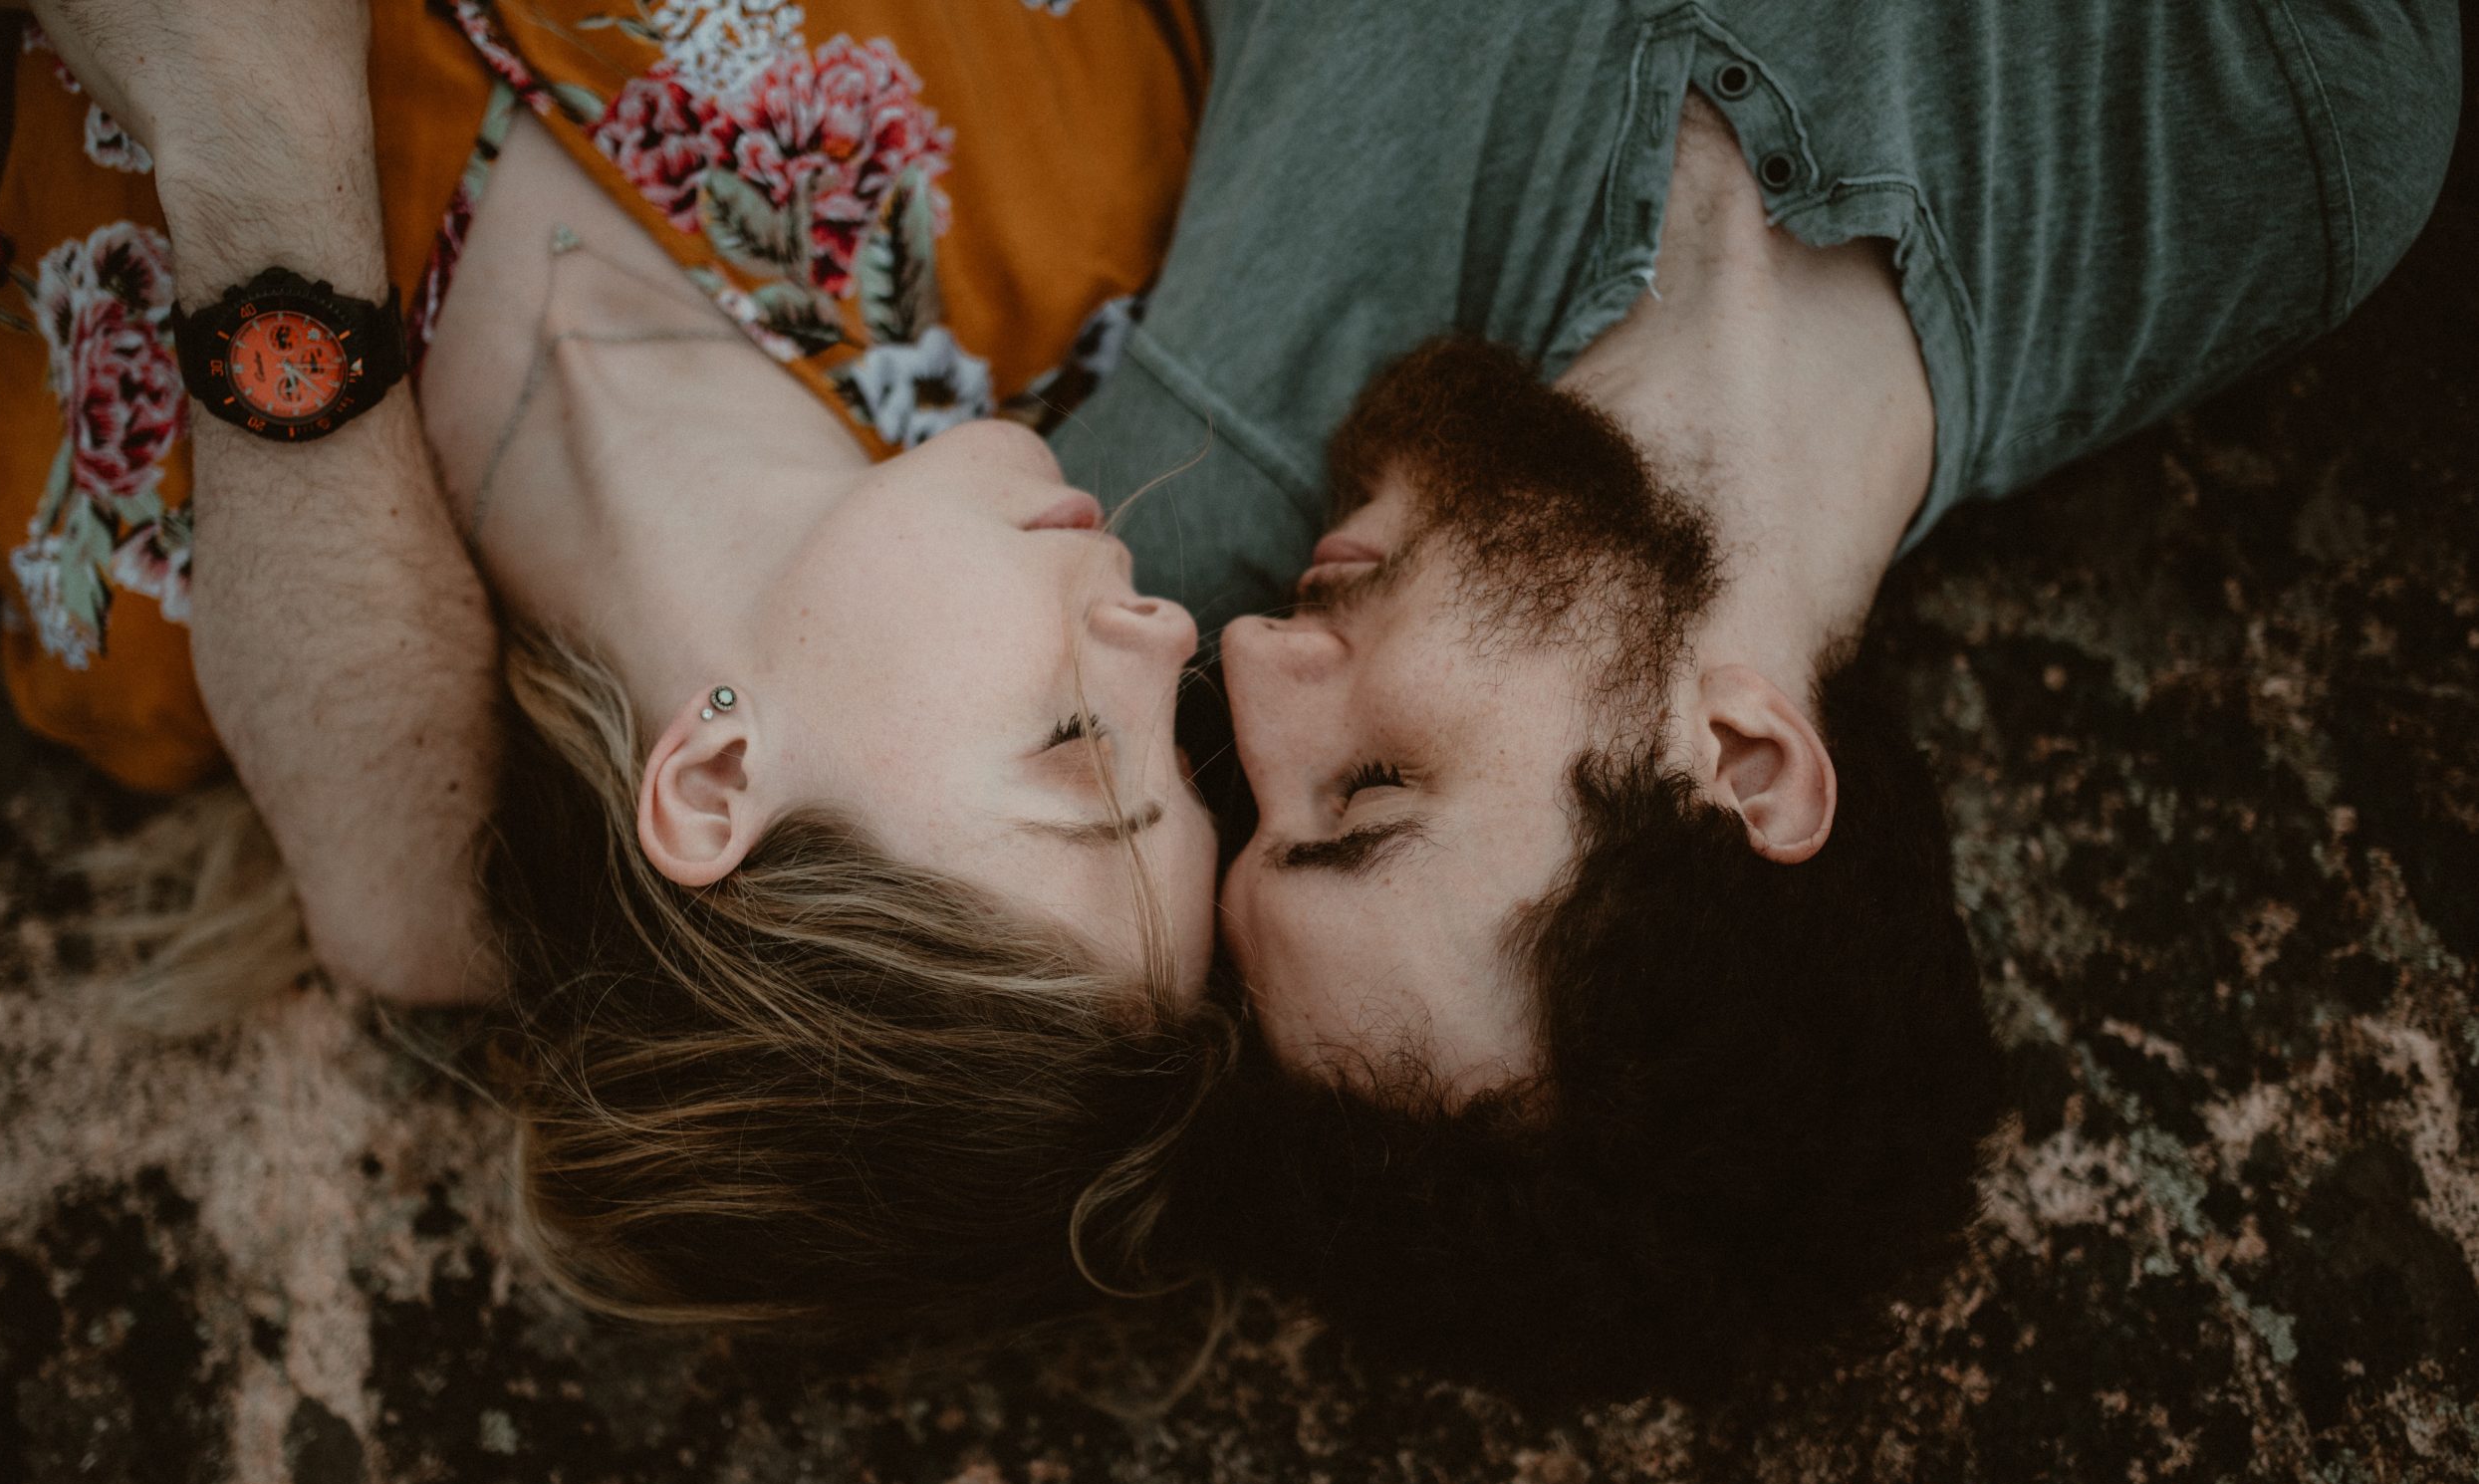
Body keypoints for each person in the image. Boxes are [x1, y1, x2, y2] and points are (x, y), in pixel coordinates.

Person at [1046, 0, 2463, 1402]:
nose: (1242, 658)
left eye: (1266, 809)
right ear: (1741, 761)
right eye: (1372, 789)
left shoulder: (1148, 533)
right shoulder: (2285, 119)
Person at [0, 0, 1233, 1351]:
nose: (1165, 633)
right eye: (1175, 738)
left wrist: (258, 173)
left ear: (717, 781)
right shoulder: (1083, 178)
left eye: (1076, 742)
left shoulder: (116, 572)